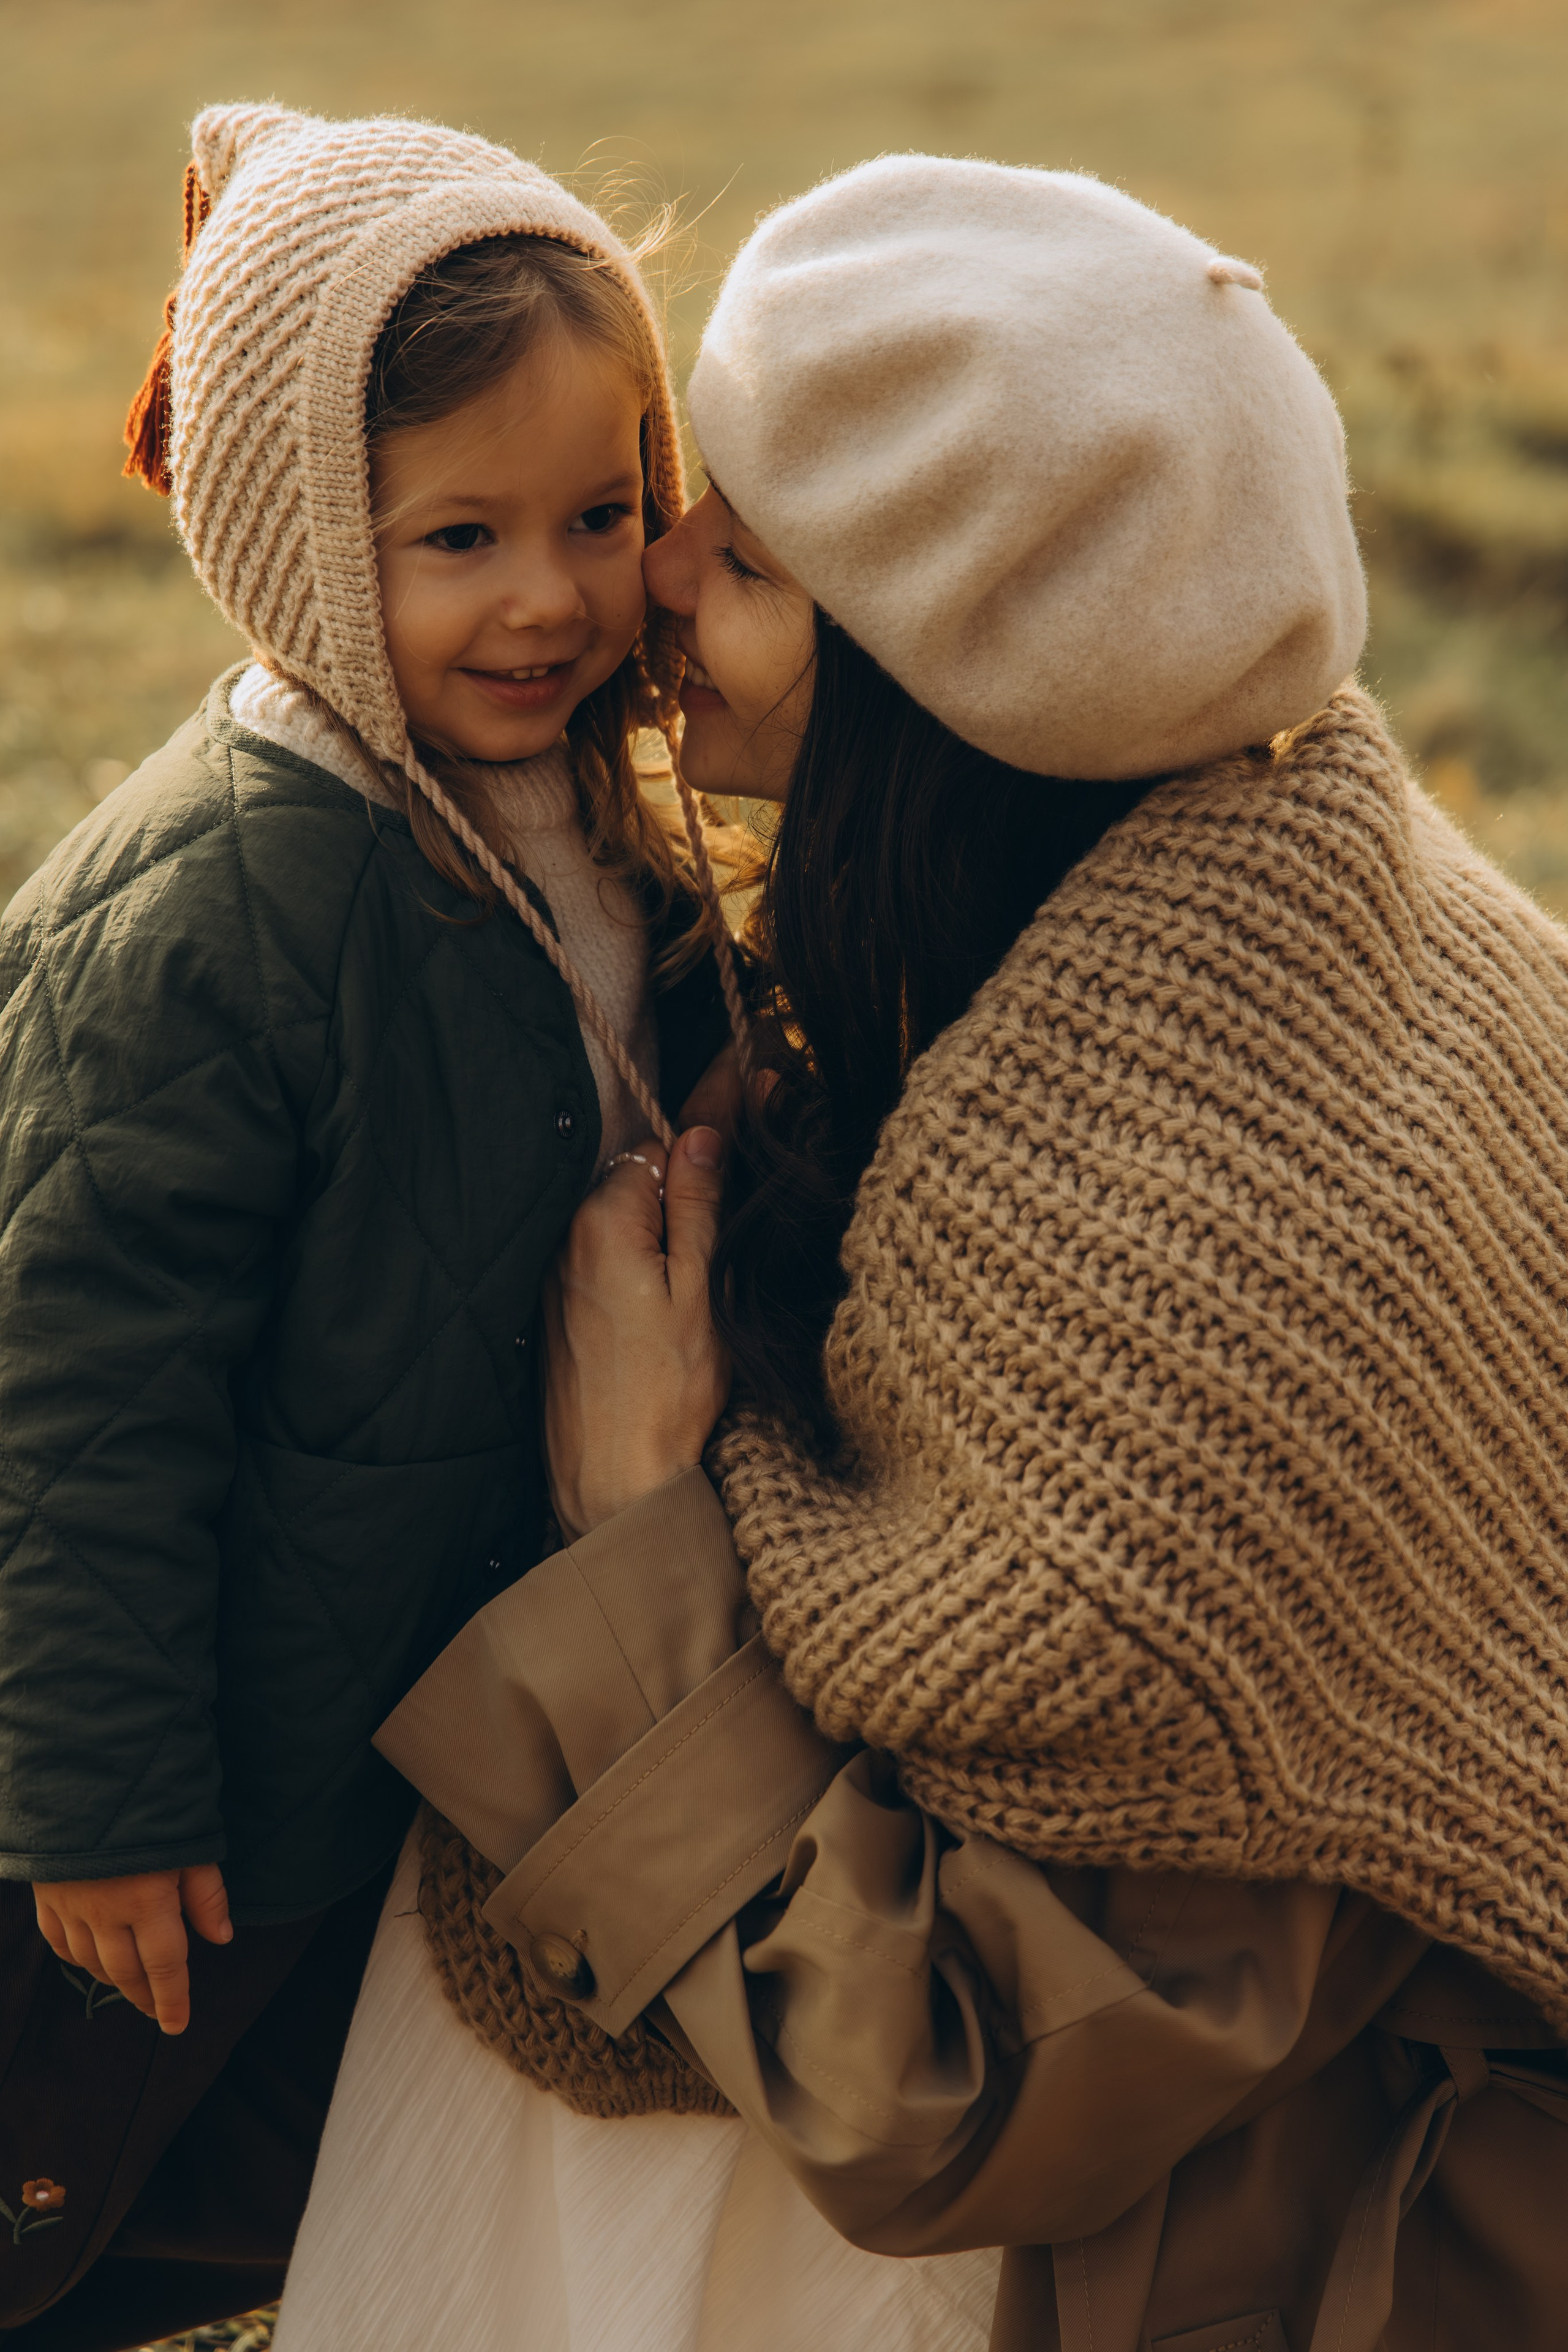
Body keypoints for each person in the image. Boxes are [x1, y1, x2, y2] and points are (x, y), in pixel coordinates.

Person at [370, 159, 1568, 2351]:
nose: (657, 581)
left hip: (1313, 2260)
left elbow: (938, 2096)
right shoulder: (1294, 853)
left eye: (745, 560)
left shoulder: (1194, 1298)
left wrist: (640, 1516)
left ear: (946, 694)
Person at [0, 102, 740, 2350]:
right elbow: (76, 1394)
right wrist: (96, 1798)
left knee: (320, 2163)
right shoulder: (231, 898)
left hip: (421, 1705)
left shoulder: (591, 813)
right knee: (78, 2161)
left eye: (602, 516)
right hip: (214, 1733)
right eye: (455, 537)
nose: (549, 595)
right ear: (304, 543)